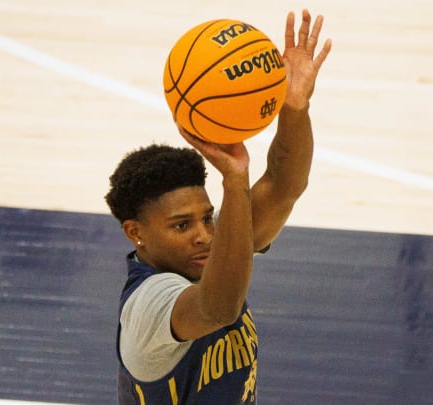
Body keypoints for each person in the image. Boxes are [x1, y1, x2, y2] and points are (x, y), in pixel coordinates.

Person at [105, 9, 332, 405]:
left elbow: (285, 186)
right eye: (181, 226)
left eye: (207, 218)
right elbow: (219, 307)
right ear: (135, 232)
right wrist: (234, 180)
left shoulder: (216, 254)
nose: (204, 235)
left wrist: (293, 108)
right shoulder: (148, 307)